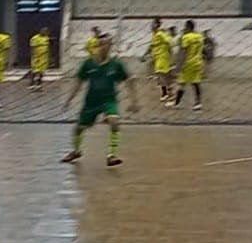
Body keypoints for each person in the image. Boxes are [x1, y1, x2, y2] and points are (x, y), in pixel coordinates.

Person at [62, 33, 138, 167]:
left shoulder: (116, 65)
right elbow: (78, 82)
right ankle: (76, 151)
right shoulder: (88, 64)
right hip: (91, 102)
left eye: (107, 44)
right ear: (97, 46)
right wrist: (69, 99)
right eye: (101, 44)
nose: (104, 47)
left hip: (109, 100)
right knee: (79, 128)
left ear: (110, 46)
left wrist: (134, 101)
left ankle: (112, 155)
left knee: (114, 122)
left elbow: (129, 80)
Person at [174, 20, 205, 110]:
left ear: (187, 27)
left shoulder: (186, 37)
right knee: (196, 82)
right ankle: (198, 103)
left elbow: (183, 52)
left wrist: (179, 65)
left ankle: (177, 103)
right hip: (198, 62)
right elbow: (202, 50)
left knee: (182, 83)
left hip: (188, 63)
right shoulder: (199, 37)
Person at [148, 18, 174, 103]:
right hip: (157, 58)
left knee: (163, 75)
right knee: (161, 76)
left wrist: (169, 51)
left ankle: (168, 94)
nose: (151, 25)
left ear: (157, 25)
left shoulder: (160, 34)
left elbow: (169, 41)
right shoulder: (154, 35)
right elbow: (152, 46)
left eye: (153, 23)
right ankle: (166, 93)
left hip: (163, 57)